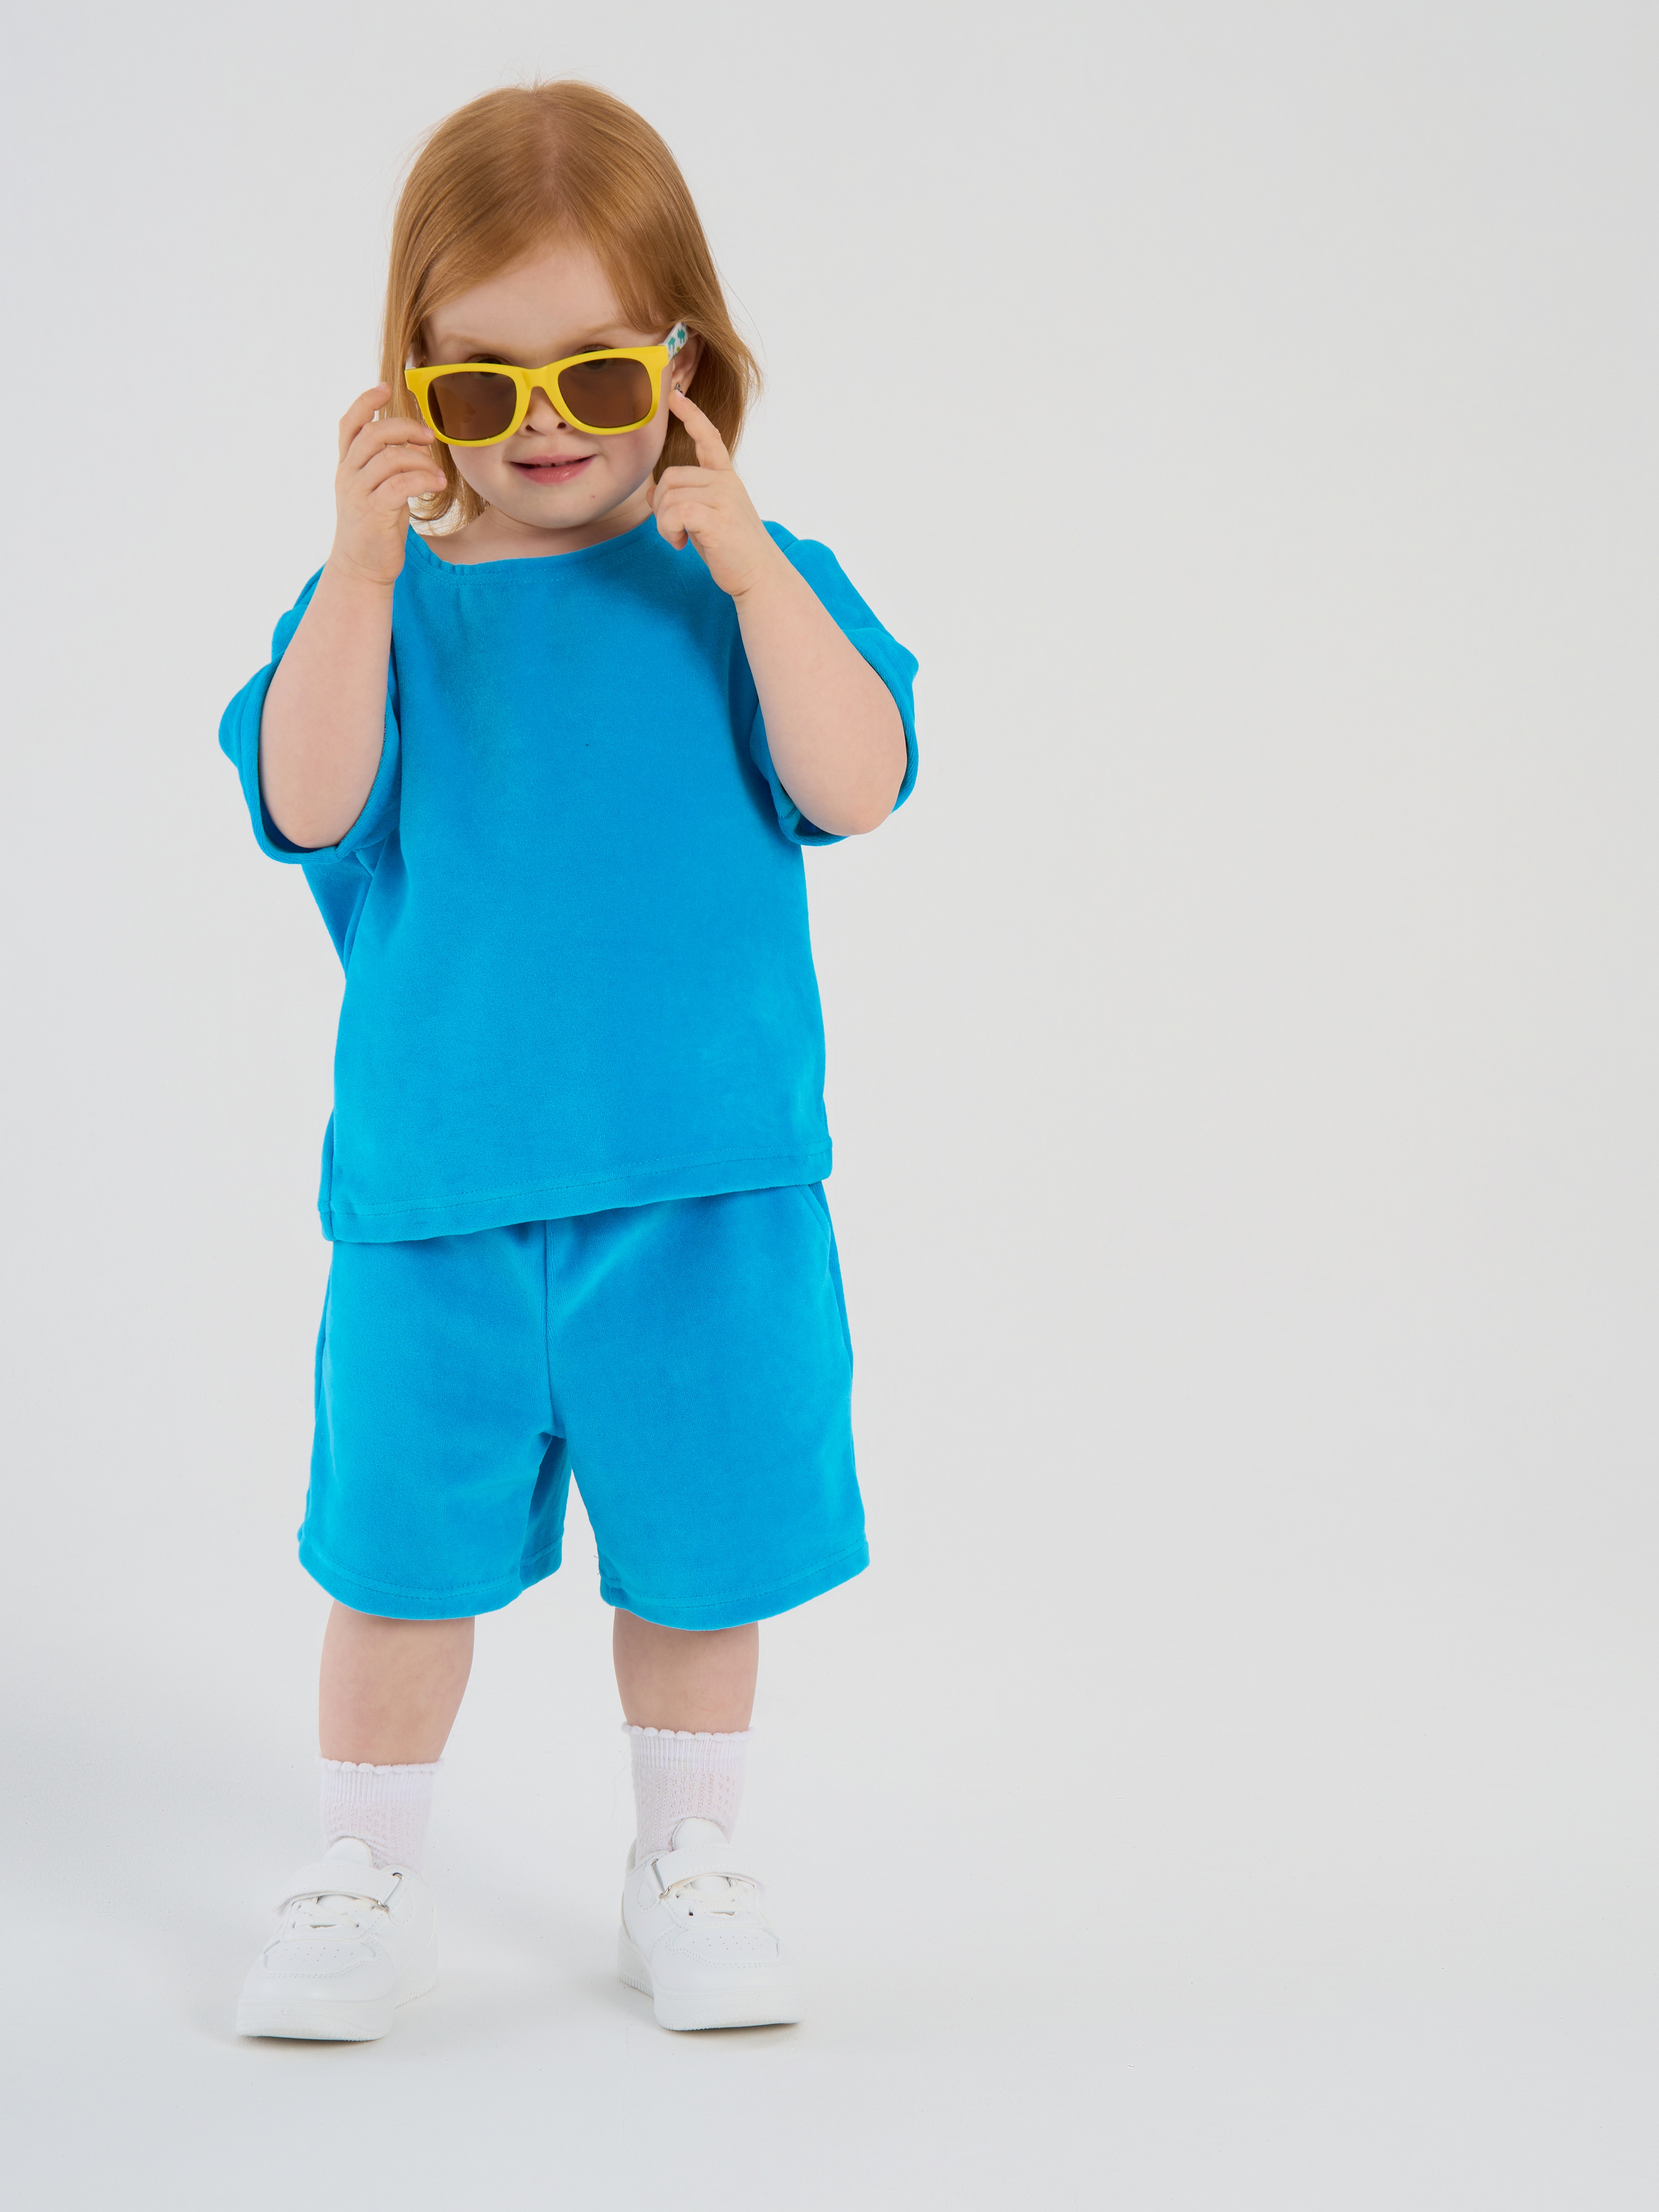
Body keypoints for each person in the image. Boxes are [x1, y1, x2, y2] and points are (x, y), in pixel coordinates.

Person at [218, 80, 917, 2041]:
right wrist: (359, 572)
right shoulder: (382, 610)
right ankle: (365, 1872)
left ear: (681, 369)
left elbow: (859, 783)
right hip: (435, 1199)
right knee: (392, 1564)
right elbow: (305, 797)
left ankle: (686, 1857)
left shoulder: (750, 589)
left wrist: (755, 569)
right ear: (408, 386)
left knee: (699, 1558)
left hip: (705, 1188)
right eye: (480, 384)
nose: (542, 424)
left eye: (598, 378)